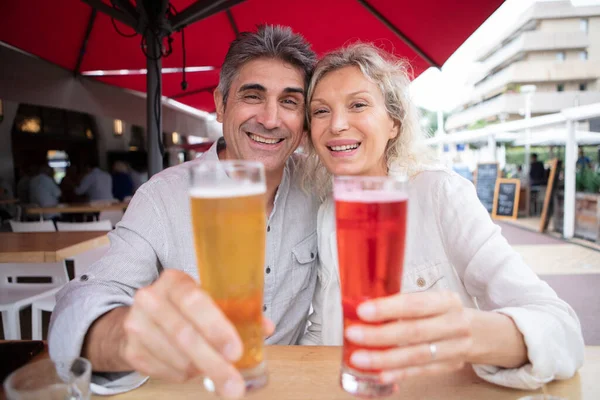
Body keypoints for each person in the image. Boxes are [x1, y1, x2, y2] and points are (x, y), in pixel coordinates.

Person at [49, 25, 318, 399]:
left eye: (290, 101)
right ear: (221, 105)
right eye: (252, 96)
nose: (271, 119)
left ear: (304, 122)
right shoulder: (162, 197)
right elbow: (81, 303)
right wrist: (127, 338)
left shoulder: (320, 187)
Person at [300, 43, 584, 390]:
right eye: (320, 111)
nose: (337, 124)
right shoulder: (325, 210)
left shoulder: (440, 194)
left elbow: (561, 328)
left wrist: (468, 335)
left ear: (394, 123)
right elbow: (322, 331)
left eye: (358, 105)